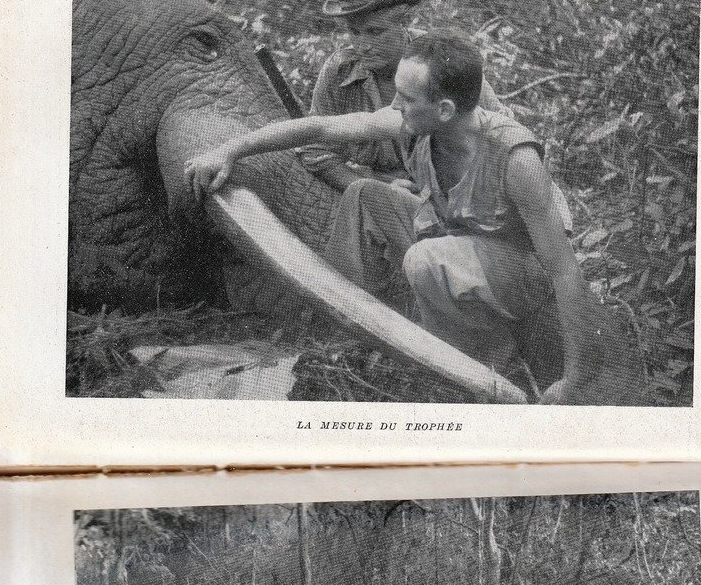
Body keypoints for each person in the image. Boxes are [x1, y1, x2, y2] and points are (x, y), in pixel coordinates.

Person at [186, 32, 635, 404]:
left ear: (444, 110)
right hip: (458, 241)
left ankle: (467, 369)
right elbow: (320, 129)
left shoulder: (516, 160)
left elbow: (565, 273)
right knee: (366, 196)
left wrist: (574, 378)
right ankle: (348, 328)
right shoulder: (415, 125)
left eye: (406, 98)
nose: (394, 107)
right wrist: (231, 149)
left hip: (523, 277)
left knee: (426, 259)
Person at [299, 0, 510, 192]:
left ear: (403, 23)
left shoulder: (443, 61)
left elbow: (504, 138)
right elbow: (315, 150)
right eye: (354, 32)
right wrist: (372, 188)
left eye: (375, 32)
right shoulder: (340, 71)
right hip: (372, 196)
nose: (363, 45)